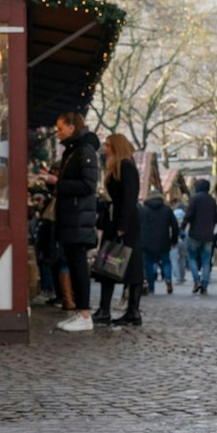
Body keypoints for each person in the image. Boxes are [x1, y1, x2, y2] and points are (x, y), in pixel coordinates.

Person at [50, 113, 102, 331]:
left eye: (61, 128)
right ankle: (80, 312)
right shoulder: (74, 151)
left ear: (72, 128)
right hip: (72, 217)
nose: (58, 132)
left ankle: (84, 314)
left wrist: (58, 183)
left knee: (78, 265)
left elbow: (88, 186)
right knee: (73, 263)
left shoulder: (84, 151)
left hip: (78, 218)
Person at [95, 134, 144, 326]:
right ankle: (106, 309)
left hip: (124, 224)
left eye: (107, 145)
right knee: (108, 265)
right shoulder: (118, 166)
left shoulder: (126, 166)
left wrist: (122, 226)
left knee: (126, 267)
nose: (105, 149)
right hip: (116, 221)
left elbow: (129, 198)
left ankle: (132, 310)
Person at [184, 178, 217, 294]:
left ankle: (196, 281)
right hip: (208, 235)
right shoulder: (212, 200)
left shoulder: (194, 199)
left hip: (194, 234)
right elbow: (216, 218)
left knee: (192, 258)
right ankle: (204, 284)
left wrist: (182, 227)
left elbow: (188, 215)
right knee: (206, 261)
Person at [140, 189, 178, 294]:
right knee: (166, 262)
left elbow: (138, 226)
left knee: (148, 264)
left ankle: (151, 287)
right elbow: (175, 226)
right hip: (163, 241)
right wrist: (174, 240)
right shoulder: (167, 209)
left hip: (147, 243)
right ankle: (168, 279)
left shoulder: (144, 210)